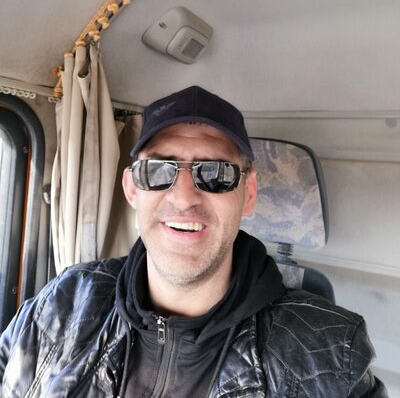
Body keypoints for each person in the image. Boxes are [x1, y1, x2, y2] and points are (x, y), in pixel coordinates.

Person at [0, 85, 387, 397]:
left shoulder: (331, 351)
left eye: (215, 173)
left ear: (249, 193)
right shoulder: (65, 300)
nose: (184, 198)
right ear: (132, 189)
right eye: (159, 170)